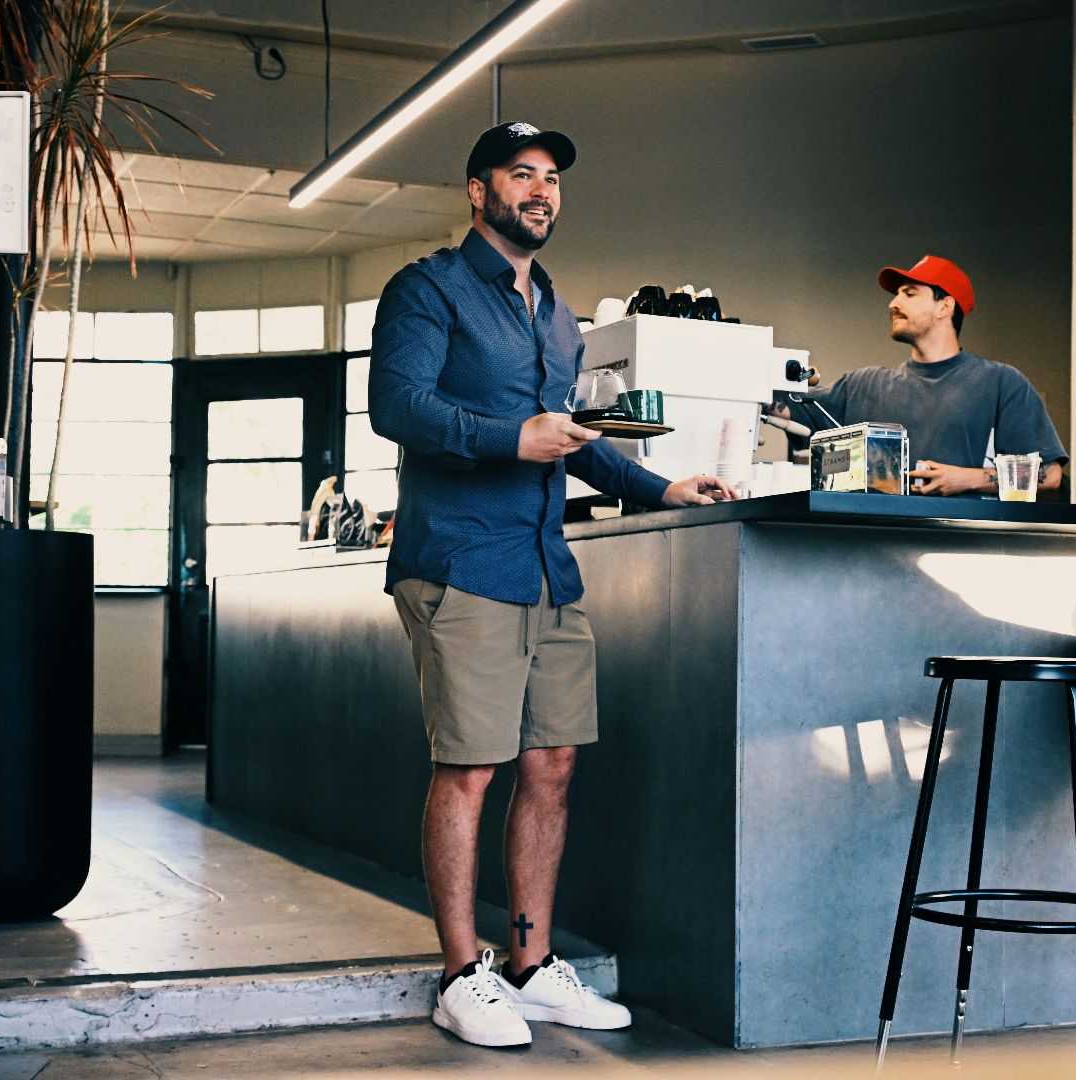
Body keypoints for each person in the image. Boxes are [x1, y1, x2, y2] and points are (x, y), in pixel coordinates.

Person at [369, 121, 735, 1048]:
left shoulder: (555, 311)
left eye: (552, 180)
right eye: (521, 175)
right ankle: (462, 973)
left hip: (545, 569)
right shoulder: (429, 290)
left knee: (552, 766)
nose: (540, 191)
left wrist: (662, 485)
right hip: (461, 562)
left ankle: (527, 967)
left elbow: (574, 435)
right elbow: (397, 406)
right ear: (478, 191)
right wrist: (508, 438)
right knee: (470, 770)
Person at [777, 255, 1068, 495]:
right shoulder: (863, 385)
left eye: (910, 293)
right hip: (868, 551)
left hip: (962, 554)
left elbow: (1049, 475)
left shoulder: (1002, 383)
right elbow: (779, 407)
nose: (893, 303)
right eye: (896, 295)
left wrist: (966, 479)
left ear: (945, 306)